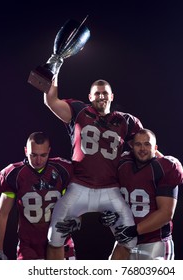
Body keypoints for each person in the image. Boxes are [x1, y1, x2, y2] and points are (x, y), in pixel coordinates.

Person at [43, 76, 143, 259]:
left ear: (112, 96)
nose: (101, 96)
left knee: (130, 241)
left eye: (105, 93)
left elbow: (145, 146)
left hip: (110, 189)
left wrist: (164, 159)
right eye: (97, 93)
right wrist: (55, 69)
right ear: (90, 96)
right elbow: (51, 100)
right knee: (54, 237)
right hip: (79, 186)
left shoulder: (126, 121)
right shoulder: (79, 111)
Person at [101, 128, 183, 259]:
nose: (142, 148)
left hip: (155, 242)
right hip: (125, 241)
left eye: (147, 144)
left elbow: (166, 213)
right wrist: (107, 212)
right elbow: (110, 196)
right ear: (132, 146)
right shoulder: (122, 164)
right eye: (138, 144)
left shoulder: (164, 168)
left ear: (155, 148)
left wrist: (134, 230)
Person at [0, 131, 77, 260]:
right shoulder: (14, 175)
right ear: (26, 151)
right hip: (29, 247)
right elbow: (2, 214)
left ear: (49, 151)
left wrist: (77, 218)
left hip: (61, 243)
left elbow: (76, 202)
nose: (38, 161)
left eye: (43, 155)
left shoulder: (62, 170)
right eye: (33, 155)